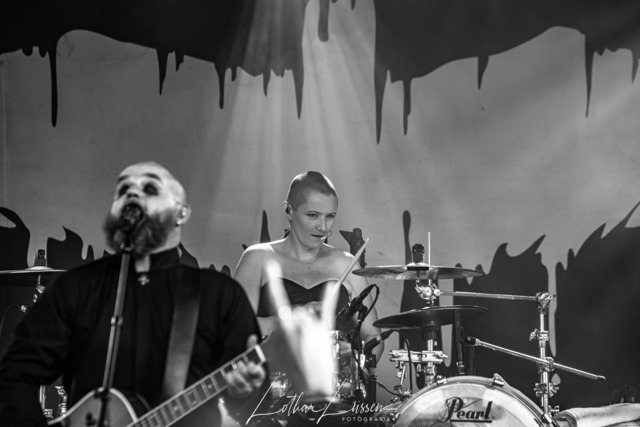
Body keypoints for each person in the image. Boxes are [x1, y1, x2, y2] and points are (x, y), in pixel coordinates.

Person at [0, 161, 266, 427]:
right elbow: (14, 375)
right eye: (123, 189)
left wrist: (244, 392)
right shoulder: (75, 287)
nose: (133, 192)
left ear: (181, 213)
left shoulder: (219, 294)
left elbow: (254, 396)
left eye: (149, 187)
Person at [234, 172, 384, 395]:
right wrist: (290, 319)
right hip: (269, 396)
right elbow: (235, 332)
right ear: (289, 210)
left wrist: (355, 363)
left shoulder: (346, 263)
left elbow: (373, 337)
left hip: (335, 398)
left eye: (330, 216)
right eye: (313, 215)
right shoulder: (257, 258)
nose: (323, 227)